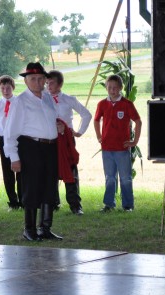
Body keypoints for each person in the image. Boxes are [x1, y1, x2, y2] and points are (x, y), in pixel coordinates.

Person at [3, 62, 61, 241]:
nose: (37, 82)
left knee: (50, 186)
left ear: (45, 80)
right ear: (26, 81)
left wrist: (57, 127)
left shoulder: (48, 98)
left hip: (50, 147)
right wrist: (14, 157)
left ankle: (45, 227)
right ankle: (29, 229)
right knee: (32, 188)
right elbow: (10, 132)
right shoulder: (20, 101)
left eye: (40, 79)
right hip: (30, 148)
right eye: (33, 79)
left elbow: (50, 120)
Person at [93, 74, 142, 212]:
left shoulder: (127, 104)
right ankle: (109, 204)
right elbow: (96, 120)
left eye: (115, 88)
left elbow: (138, 121)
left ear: (120, 88)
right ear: (106, 88)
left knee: (126, 178)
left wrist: (135, 141)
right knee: (109, 178)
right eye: (109, 87)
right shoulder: (102, 104)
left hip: (122, 148)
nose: (112, 90)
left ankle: (128, 205)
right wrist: (99, 136)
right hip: (107, 148)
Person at [46, 69, 91, 215]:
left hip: (67, 140)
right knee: (50, 171)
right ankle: (52, 203)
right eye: (47, 83)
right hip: (50, 140)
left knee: (71, 171)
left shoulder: (69, 99)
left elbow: (86, 114)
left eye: (51, 83)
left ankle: (75, 205)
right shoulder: (42, 100)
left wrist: (79, 132)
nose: (48, 86)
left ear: (60, 84)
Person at [0, 75, 22, 210]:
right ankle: (13, 202)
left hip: (19, 138)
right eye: (2, 88)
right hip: (3, 139)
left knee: (21, 170)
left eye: (8, 88)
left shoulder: (19, 102)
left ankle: (24, 200)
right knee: (7, 171)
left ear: (13, 88)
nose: (5, 91)